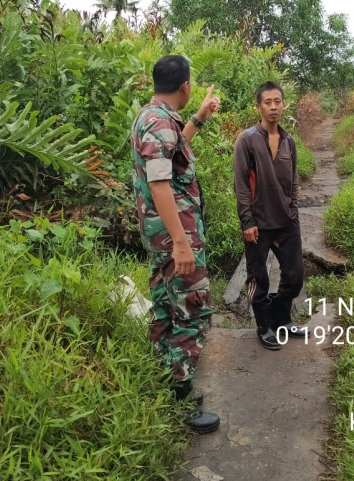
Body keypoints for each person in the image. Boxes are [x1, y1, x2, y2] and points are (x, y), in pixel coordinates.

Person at [130, 54, 221, 434]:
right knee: (193, 310)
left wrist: (199, 118)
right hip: (174, 237)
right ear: (185, 85)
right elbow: (159, 183)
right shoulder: (159, 122)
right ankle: (181, 400)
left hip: (161, 236)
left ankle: (165, 382)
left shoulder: (152, 117)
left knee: (166, 307)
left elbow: (171, 159)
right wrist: (182, 244)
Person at [233, 81, 305, 350]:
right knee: (258, 278)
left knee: (295, 276)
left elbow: (294, 181)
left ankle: (282, 320)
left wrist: (293, 210)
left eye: (277, 101)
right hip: (258, 224)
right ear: (259, 107)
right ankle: (264, 326)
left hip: (286, 222)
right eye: (267, 102)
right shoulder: (247, 140)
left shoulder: (289, 141)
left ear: (284, 104)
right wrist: (247, 220)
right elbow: (241, 184)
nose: (273, 107)